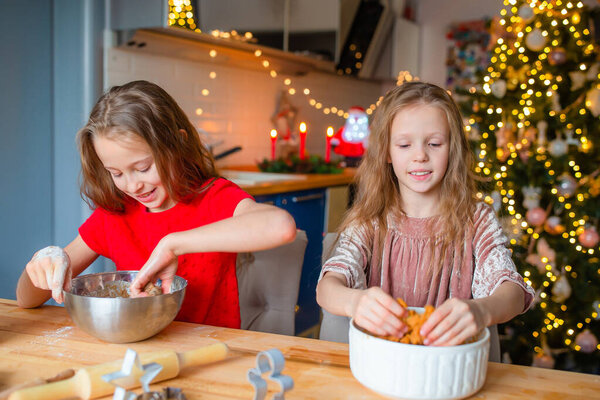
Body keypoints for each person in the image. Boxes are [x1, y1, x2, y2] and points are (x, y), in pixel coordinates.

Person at [16, 80, 297, 329]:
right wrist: (44, 263)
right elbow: (26, 300)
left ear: (177, 143)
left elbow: (280, 227)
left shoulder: (214, 199)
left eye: (143, 167)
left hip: (209, 353)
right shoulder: (115, 214)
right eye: (116, 173)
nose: (132, 185)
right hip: (137, 354)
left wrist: (172, 244)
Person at [316, 82, 534, 346]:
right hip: (382, 364)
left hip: (451, 368)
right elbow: (328, 288)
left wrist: (481, 310)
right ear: (386, 152)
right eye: (405, 145)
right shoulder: (371, 219)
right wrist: (356, 302)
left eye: (433, 143)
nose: (420, 156)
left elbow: (512, 292)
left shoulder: (477, 219)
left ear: (452, 149)